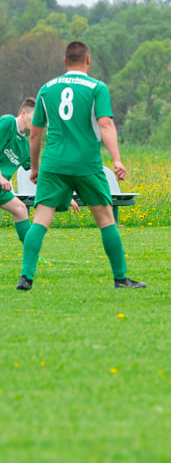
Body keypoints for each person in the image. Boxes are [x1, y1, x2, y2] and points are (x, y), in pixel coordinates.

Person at [16, 41, 141, 291]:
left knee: (40, 219)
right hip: (86, 163)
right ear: (88, 60)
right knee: (106, 219)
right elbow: (105, 125)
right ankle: (120, 278)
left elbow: (35, 134)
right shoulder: (97, 87)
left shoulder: (47, 88)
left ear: (65, 62)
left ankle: (26, 277)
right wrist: (116, 160)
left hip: (53, 163)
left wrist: (36, 167)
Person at [1, 99, 36, 245]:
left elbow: (39, 175)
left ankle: (32, 253)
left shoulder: (24, 147)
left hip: (1, 189)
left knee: (21, 209)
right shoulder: (8, 123)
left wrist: (65, 195)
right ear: (23, 113)